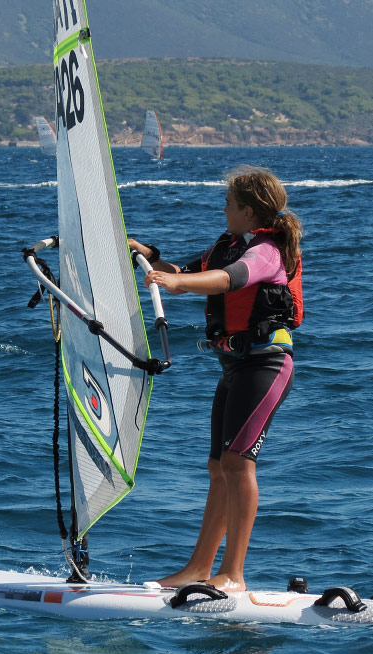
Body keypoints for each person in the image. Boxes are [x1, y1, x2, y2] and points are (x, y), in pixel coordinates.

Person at [129, 166, 303, 593]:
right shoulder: (230, 245)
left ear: (247, 210)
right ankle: (198, 569)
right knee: (217, 468)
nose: (222, 209)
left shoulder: (265, 251)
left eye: (228, 203)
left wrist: (176, 283)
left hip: (266, 366)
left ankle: (234, 575)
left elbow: (229, 280)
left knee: (238, 465)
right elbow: (189, 269)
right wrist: (149, 256)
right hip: (233, 367)